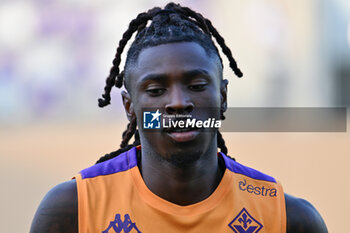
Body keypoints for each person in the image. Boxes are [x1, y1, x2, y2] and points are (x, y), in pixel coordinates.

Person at [30, 3, 328, 233]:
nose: (178, 103)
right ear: (129, 107)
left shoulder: (287, 218)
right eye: (157, 90)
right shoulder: (73, 210)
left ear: (222, 98)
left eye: (197, 86)